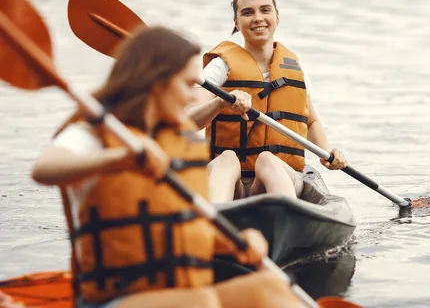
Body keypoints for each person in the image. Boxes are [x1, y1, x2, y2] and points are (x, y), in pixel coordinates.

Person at [30, 26, 304, 308]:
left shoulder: (178, 139)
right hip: (115, 300)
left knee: (270, 288)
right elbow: (44, 168)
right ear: (158, 81)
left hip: (183, 295)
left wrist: (235, 242)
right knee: (201, 302)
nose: (192, 95)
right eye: (187, 85)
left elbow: (181, 231)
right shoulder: (98, 134)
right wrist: (118, 159)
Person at [188, 0, 348, 203]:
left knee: (267, 159)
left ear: (277, 17)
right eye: (247, 12)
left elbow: (311, 122)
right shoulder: (219, 67)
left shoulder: (295, 70)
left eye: (265, 10)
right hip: (230, 182)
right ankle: (216, 220)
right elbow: (186, 121)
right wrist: (219, 103)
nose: (257, 18)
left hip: (280, 174)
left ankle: (288, 216)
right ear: (236, 22)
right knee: (227, 158)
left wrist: (327, 154)